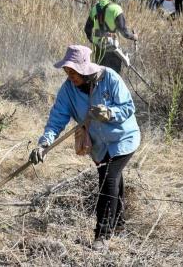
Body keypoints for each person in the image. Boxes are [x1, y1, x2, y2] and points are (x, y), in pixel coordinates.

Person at [29, 45, 140, 251]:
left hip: (123, 139)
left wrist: (109, 113)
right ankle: (120, 224)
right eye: (67, 71)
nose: (70, 76)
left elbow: (128, 108)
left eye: (73, 72)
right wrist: (44, 143)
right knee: (112, 179)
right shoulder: (67, 90)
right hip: (98, 145)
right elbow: (56, 119)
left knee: (109, 178)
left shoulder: (109, 78)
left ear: (84, 68)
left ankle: (102, 235)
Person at [84, 0, 137, 74]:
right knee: (114, 76)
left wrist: (93, 41)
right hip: (112, 48)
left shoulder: (95, 7)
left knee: (99, 75)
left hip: (98, 47)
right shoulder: (116, 8)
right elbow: (124, 32)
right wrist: (134, 36)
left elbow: (87, 29)